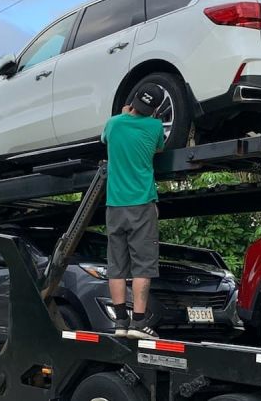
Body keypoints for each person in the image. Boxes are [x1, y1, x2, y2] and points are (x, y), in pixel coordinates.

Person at [101, 83, 165, 339]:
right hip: (141, 203)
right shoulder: (155, 127)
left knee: (116, 266)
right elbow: (159, 148)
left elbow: (104, 138)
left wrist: (125, 115)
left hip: (114, 204)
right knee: (143, 266)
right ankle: (138, 324)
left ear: (133, 100)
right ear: (155, 108)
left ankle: (120, 322)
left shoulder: (113, 124)